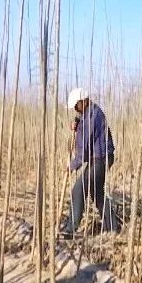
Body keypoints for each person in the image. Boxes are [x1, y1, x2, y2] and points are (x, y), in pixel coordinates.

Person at [60, 87, 117, 238]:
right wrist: (78, 126)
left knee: (79, 189)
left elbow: (83, 149)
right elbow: (86, 133)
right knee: (96, 192)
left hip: (101, 159)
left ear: (82, 102)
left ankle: (70, 229)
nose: (75, 110)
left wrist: (72, 166)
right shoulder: (89, 113)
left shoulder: (92, 116)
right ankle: (112, 227)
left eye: (75, 106)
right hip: (100, 157)